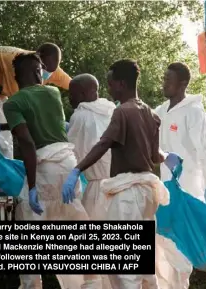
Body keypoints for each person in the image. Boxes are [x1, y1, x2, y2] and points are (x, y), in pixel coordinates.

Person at [61, 59, 181, 289]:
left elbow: (103, 144)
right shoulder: (150, 114)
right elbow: (155, 155)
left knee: (122, 271)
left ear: (122, 84)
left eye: (110, 83)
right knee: (144, 269)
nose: (108, 89)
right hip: (148, 194)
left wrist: (76, 170)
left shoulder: (122, 111)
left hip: (128, 194)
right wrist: (168, 157)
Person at [0, 52, 99, 289]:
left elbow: (28, 143)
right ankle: (89, 283)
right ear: (36, 72)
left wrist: (31, 187)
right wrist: (1, 126)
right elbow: (43, 121)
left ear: (16, 75)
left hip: (45, 168)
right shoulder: (52, 93)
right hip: (69, 165)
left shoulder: (13, 103)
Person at [153, 62, 206, 289]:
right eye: (164, 78)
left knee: (181, 251)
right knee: (161, 249)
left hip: (188, 189)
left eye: (169, 80)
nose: (164, 83)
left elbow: (205, 152)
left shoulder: (194, 112)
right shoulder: (161, 111)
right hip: (165, 190)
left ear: (183, 84)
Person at [0, 43, 71, 170]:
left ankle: (2, 181)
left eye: (51, 71)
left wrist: (94, 104)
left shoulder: (49, 67)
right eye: (42, 70)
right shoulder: (16, 69)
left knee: (3, 145)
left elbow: (77, 85)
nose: (44, 75)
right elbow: (25, 118)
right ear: (38, 59)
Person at [67, 73, 116, 289]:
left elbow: (72, 153)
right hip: (120, 185)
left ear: (86, 92)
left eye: (72, 93)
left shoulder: (80, 115)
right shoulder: (113, 110)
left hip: (97, 187)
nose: (69, 98)